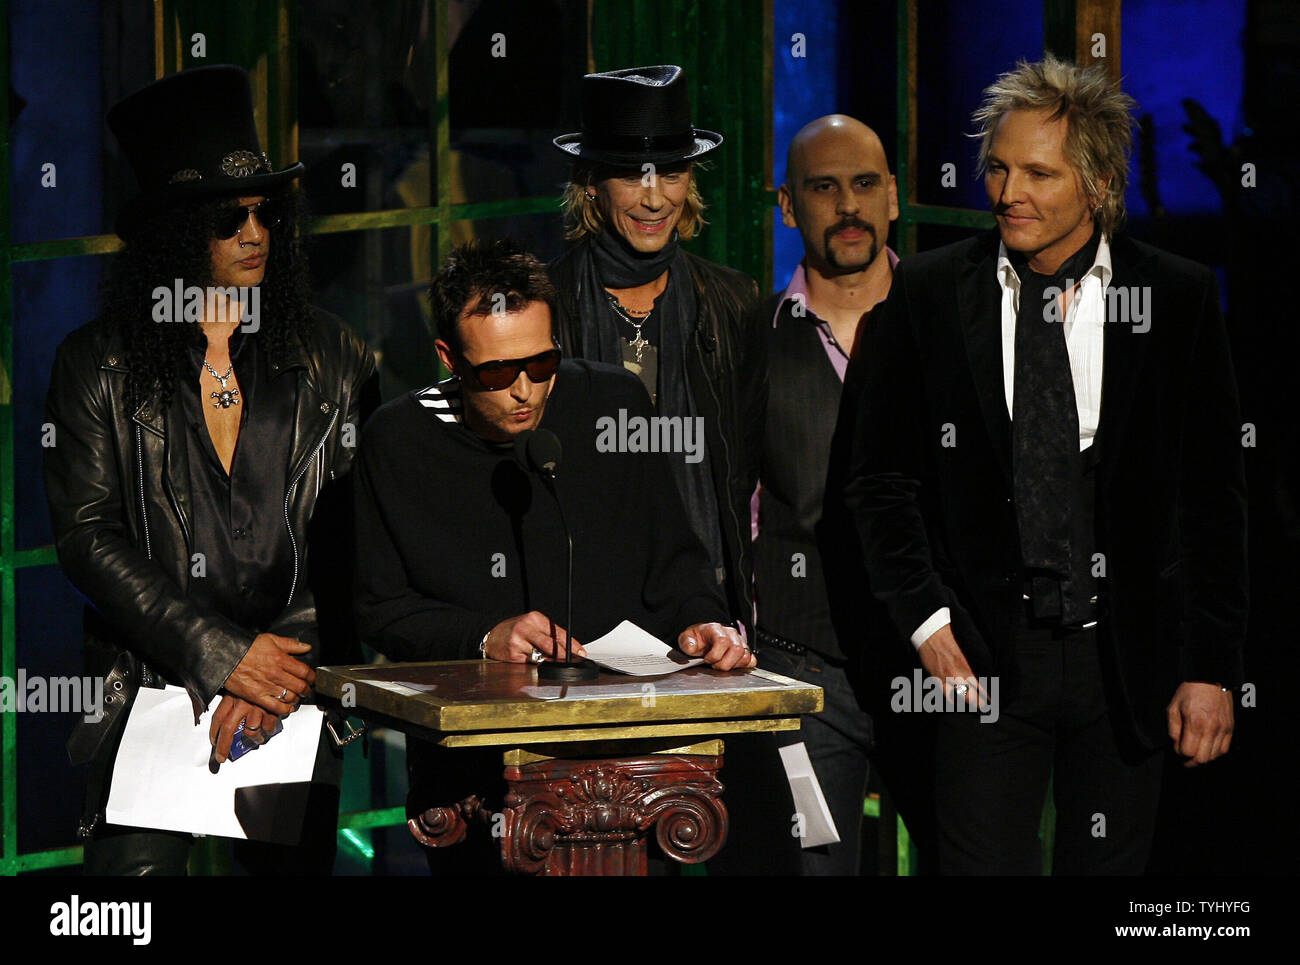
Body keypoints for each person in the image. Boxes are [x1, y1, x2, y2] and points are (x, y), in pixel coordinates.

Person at [843, 54, 1247, 875]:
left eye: (1037, 172)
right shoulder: (926, 293)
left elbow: (1213, 498)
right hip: (985, 660)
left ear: (1096, 185)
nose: (1005, 192)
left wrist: (1211, 669)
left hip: (1124, 664)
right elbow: (878, 480)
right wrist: (927, 620)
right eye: (996, 167)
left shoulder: (1175, 297)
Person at [43, 65, 375, 875]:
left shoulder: (335, 356)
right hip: (149, 690)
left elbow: (357, 534)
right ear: (175, 233)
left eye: (268, 212)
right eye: (231, 216)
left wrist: (271, 668)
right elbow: (89, 538)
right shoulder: (97, 364)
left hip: (292, 691)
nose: (254, 232)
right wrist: (222, 655)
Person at [351, 239, 756, 874]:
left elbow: (677, 563)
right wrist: (484, 635)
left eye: (541, 365)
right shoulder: (399, 442)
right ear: (448, 359)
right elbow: (380, 608)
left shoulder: (612, 405)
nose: (523, 391)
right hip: (475, 766)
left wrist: (702, 622)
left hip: (628, 756)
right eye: (496, 373)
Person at [547, 64, 764, 628]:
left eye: (670, 174)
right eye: (631, 176)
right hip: (578, 611)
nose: (653, 199)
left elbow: (750, 471)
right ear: (591, 182)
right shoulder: (544, 304)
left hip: (708, 611)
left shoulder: (734, 301)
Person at [754, 114, 908, 874]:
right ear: (788, 205)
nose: (847, 205)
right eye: (823, 187)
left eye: (864, 184)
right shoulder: (752, 340)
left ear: (894, 198)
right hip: (800, 671)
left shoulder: (952, 321)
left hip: (942, 668)